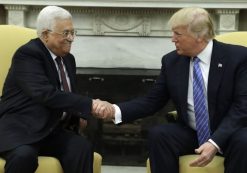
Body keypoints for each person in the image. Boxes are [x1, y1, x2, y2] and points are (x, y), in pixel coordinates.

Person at [93, 7, 247, 173]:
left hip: (231, 132)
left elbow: (242, 107)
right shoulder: (172, 61)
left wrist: (215, 142)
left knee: (245, 140)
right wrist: (114, 110)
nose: (172, 39)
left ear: (200, 36)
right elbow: (152, 101)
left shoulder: (238, 57)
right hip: (192, 132)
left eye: (177, 34)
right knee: (160, 135)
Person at [0, 6, 94, 173]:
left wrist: (79, 116)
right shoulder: (28, 54)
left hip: (51, 130)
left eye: (73, 32)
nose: (71, 38)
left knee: (81, 148)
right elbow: (46, 94)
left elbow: (69, 94)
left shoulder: (68, 59)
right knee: (24, 156)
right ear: (45, 35)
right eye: (65, 33)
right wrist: (90, 105)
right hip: (21, 129)